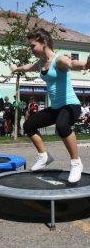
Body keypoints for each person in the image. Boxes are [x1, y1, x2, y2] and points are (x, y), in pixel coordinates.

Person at [10, 28, 90, 183]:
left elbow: (72, 63)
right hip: (56, 108)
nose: (31, 49)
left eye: (33, 46)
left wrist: (85, 65)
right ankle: (44, 156)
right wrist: (16, 69)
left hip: (71, 105)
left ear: (44, 42)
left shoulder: (58, 60)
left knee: (62, 126)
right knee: (28, 125)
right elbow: (27, 67)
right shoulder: (40, 63)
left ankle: (76, 163)